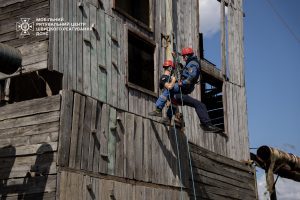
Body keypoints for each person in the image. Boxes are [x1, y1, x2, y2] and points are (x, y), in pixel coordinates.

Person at [149, 47, 221, 132]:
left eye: (184, 56)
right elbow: (171, 83)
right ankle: (161, 112)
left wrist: (182, 82)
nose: (183, 58)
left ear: (187, 56)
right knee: (171, 92)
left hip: (180, 91)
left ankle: (207, 124)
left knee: (198, 104)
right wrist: (175, 79)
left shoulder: (192, 63)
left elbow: (191, 75)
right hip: (178, 92)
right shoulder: (165, 77)